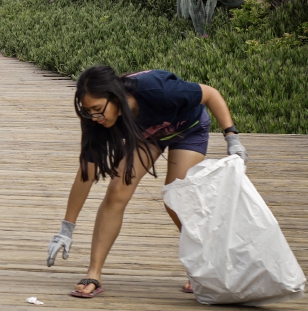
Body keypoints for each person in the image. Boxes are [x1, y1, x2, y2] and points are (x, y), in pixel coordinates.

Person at [47, 66, 248, 298]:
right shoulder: (94, 119)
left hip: (188, 128)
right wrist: (66, 228)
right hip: (147, 134)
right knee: (117, 191)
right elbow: (87, 173)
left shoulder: (158, 90)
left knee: (176, 197)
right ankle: (94, 272)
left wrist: (232, 138)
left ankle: (206, 266)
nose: (94, 117)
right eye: (87, 111)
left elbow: (211, 94)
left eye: (98, 109)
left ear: (117, 98)